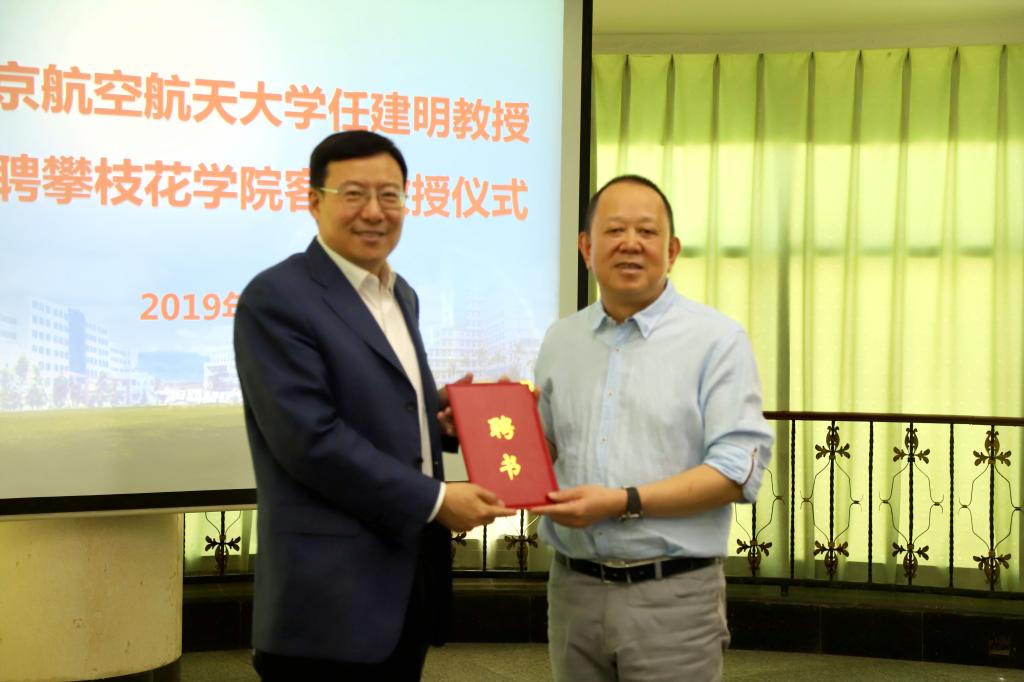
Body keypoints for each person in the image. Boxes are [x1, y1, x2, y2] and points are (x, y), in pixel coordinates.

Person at [233, 130, 514, 680]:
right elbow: (309, 441)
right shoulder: (277, 297)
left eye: (390, 195)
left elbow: (380, 403)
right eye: (354, 194)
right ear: (314, 202)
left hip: (405, 580)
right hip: (327, 599)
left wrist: (444, 417)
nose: (374, 212)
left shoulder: (399, 293)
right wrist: (436, 500)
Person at [533, 174, 774, 682]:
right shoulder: (561, 340)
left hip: (673, 598)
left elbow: (736, 472)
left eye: (646, 231)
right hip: (574, 591)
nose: (630, 243)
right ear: (586, 248)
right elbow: (545, 446)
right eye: (614, 230)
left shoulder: (717, 340)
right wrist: (482, 426)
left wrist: (622, 502)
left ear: (672, 250)